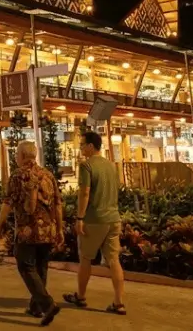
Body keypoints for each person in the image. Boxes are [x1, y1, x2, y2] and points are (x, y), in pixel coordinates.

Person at [0, 141, 63, 327]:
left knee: (26, 267)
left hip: (27, 231)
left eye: (16, 155)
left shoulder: (17, 175)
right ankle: (36, 307)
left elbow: (7, 203)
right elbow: (57, 203)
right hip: (48, 230)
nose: (15, 158)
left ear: (22, 156)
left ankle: (47, 305)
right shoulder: (48, 175)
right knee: (41, 268)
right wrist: (60, 228)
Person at [63, 131, 126, 315]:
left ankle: (80, 297)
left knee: (85, 259)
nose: (81, 148)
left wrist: (80, 218)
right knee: (114, 260)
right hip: (114, 219)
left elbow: (84, 193)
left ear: (91, 146)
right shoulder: (111, 166)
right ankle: (118, 302)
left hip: (94, 220)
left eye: (82, 144)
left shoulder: (87, 166)